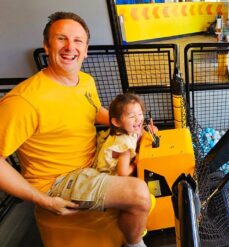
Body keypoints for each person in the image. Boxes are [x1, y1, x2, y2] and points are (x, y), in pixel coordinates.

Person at [0, 12, 150, 247]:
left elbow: (93, 111)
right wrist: (42, 200)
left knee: (143, 151)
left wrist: (134, 125)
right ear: (47, 46)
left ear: (86, 49)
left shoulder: (86, 81)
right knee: (139, 194)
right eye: (61, 39)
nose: (70, 47)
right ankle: (134, 244)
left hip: (92, 162)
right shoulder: (24, 101)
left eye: (78, 40)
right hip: (57, 182)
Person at [95, 93, 147, 176]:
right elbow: (123, 173)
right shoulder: (123, 146)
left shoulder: (128, 129)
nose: (138, 119)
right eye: (132, 116)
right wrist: (135, 163)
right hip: (110, 176)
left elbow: (140, 133)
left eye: (140, 114)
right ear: (117, 122)